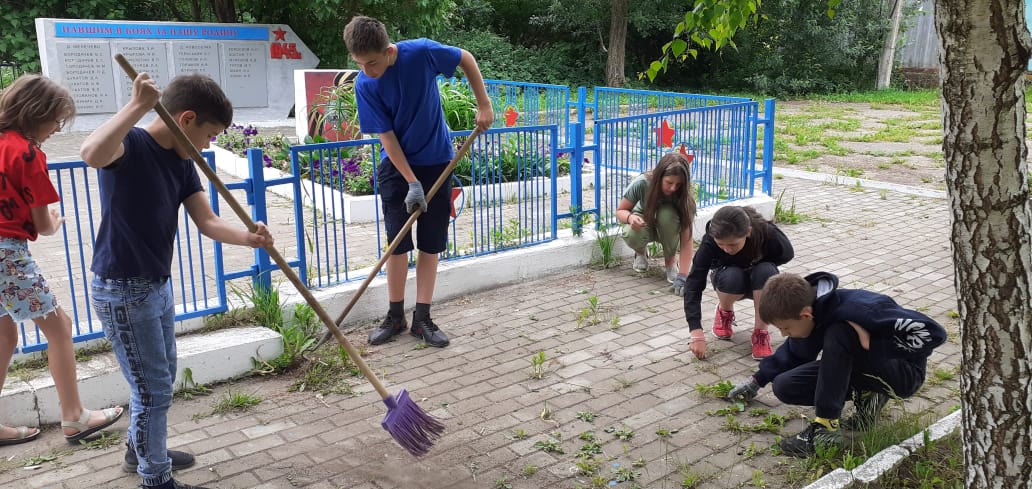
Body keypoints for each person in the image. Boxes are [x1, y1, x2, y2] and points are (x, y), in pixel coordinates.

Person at [80, 73, 273, 489]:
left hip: (156, 285)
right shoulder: (129, 146)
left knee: (159, 378)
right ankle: (155, 476)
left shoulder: (182, 162)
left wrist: (248, 236)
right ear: (186, 119)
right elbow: (91, 153)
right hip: (123, 288)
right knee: (153, 391)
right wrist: (136, 105)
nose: (209, 145)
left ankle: (141, 449)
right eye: (210, 134)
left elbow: (207, 221)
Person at [344, 15, 493, 348]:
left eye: (371, 62)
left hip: (438, 162)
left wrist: (484, 104)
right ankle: (395, 316)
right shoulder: (364, 84)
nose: (367, 70)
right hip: (397, 169)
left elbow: (465, 57)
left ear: (389, 51)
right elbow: (387, 137)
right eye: (360, 64)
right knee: (398, 243)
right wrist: (411, 182)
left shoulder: (421, 53)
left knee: (431, 243)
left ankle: (422, 318)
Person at [0, 74, 125, 446]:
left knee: (4, 333)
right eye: (56, 119)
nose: (58, 128)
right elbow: (43, 223)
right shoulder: (27, 153)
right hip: (6, 253)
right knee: (59, 326)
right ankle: (74, 416)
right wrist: (53, 223)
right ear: (36, 113)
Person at [726, 272, 946, 457]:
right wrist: (757, 380)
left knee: (839, 332)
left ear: (805, 315)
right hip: (865, 369)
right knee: (785, 385)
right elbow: (794, 351)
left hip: (903, 375)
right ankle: (870, 394)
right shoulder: (811, 311)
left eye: (785, 328)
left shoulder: (861, 308)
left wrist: (874, 345)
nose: (784, 334)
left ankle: (826, 427)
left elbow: (935, 333)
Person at [682, 205, 794, 360]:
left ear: (748, 232)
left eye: (732, 244)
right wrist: (696, 332)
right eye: (721, 245)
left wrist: (757, 265)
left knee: (766, 270)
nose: (727, 249)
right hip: (729, 281)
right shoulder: (710, 241)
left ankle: (761, 333)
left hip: (760, 282)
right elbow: (694, 284)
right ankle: (724, 311)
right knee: (733, 275)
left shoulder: (767, 233)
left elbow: (787, 254)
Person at [616, 152, 696, 289]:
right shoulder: (642, 183)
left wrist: (683, 275)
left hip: (668, 227)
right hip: (643, 222)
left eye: (678, 185)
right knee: (631, 233)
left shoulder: (683, 198)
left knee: (667, 215)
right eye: (669, 182)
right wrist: (630, 218)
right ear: (659, 177)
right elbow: (620, 211)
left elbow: (687, 238)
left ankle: (670, 261)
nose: (673, 188)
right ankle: (640, 252)